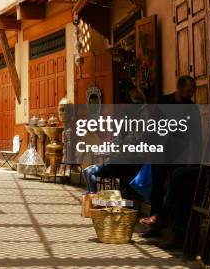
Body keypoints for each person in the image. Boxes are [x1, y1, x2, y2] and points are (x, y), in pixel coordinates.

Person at [140, 75, 202, 245]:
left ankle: (174, 229)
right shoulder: (164, 101)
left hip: (179, 153)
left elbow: (196, 135)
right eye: (188, 91)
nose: (191, 94)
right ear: (179, 88)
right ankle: (155, 227)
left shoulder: (192, 108)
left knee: (177, 187)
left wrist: (196, 159)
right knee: (157, 187)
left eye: (192, 91)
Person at [82, 81, 146, 194]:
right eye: (132, 99)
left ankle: (93, 197)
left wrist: (118, 147)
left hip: (128, 161)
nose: (133, 103)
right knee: (87, 171)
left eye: (136, 99)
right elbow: (118, 139)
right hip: (117, 159)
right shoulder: (126, 119)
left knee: (90, 172)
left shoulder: (143, 116)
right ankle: (92, 196)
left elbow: (134, 139)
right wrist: (111, 147)